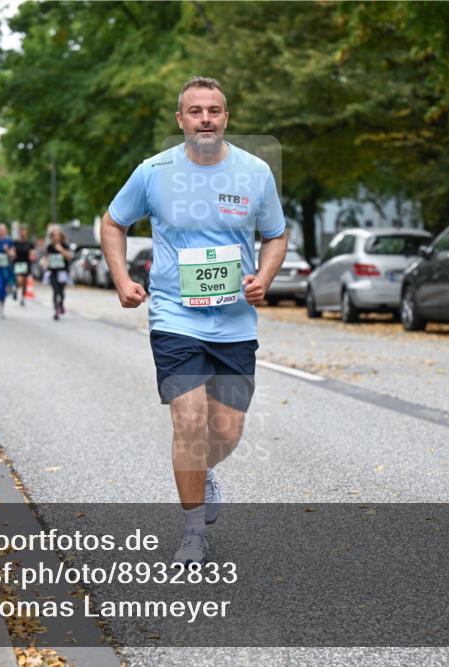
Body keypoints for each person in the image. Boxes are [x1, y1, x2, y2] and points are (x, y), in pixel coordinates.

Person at [100, 76, 288, 565]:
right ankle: (192, 532)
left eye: (215, 110)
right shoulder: (154, 172)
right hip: (174, 314)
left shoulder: (255, 173)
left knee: (224, 431)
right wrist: (122, 279)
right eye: (195, 110)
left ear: (226, 118)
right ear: (180, 119)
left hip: (235, 321)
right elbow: (114, 222)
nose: (206, 118)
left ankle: (202, 472)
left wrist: (264, 277)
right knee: (189, 420)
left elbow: (276, 234)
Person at [42, 225, 73, 320]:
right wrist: (44, 264)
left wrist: (61, 250)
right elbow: (46, 258)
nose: (56, 237)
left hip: (63, 272)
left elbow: (69, 257)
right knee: (55, 291)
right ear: (51, 237)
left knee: (61, 292)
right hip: (53, 272)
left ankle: (61, 304)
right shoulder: (50, 247)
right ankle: (56, 311)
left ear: (60, 236)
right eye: (54, 235)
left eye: (57, 235)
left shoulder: (65, 245)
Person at [13, 225, 35, 306]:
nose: (23, 233)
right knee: (19, 280)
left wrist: (32, 255)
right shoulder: (15, 243)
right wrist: (12, 254)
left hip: (26, 264)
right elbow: (13, 251)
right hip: (18, 263)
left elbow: (33, 253)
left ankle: (22, 298)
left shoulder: (29, 243)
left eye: (24, 231)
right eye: (21, 231)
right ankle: (15, 288)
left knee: (25, 282)